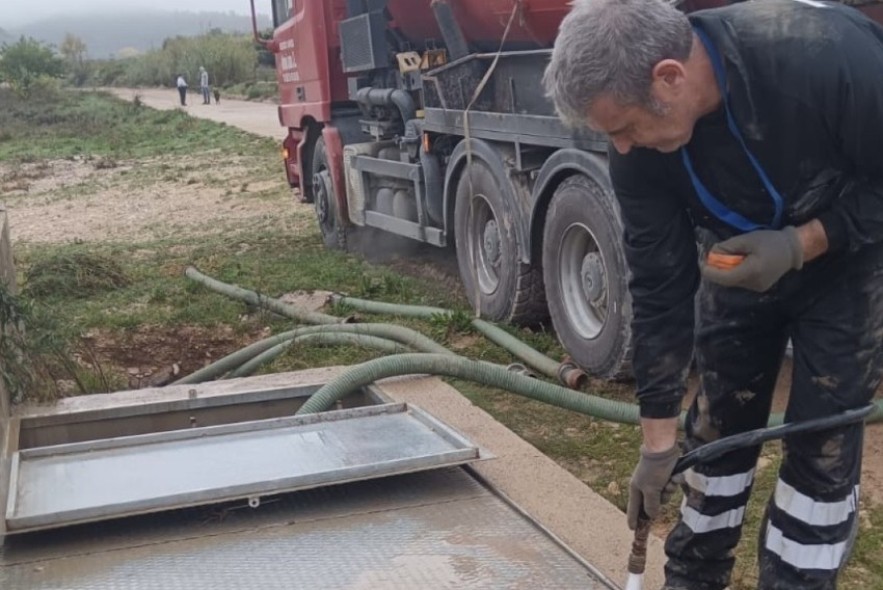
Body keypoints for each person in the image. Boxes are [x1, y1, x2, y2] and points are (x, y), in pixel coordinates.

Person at [544, 0, 883, 589]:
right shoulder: (636, 152)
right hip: (737, 268)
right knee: (715, 437)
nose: (620, 148)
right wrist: (657, 446)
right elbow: (658, 288)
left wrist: (803, 244)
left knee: (821, 445)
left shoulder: (826, 57)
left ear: (669, 78)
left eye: (624, 128)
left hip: (847, 264)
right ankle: (695, 578)